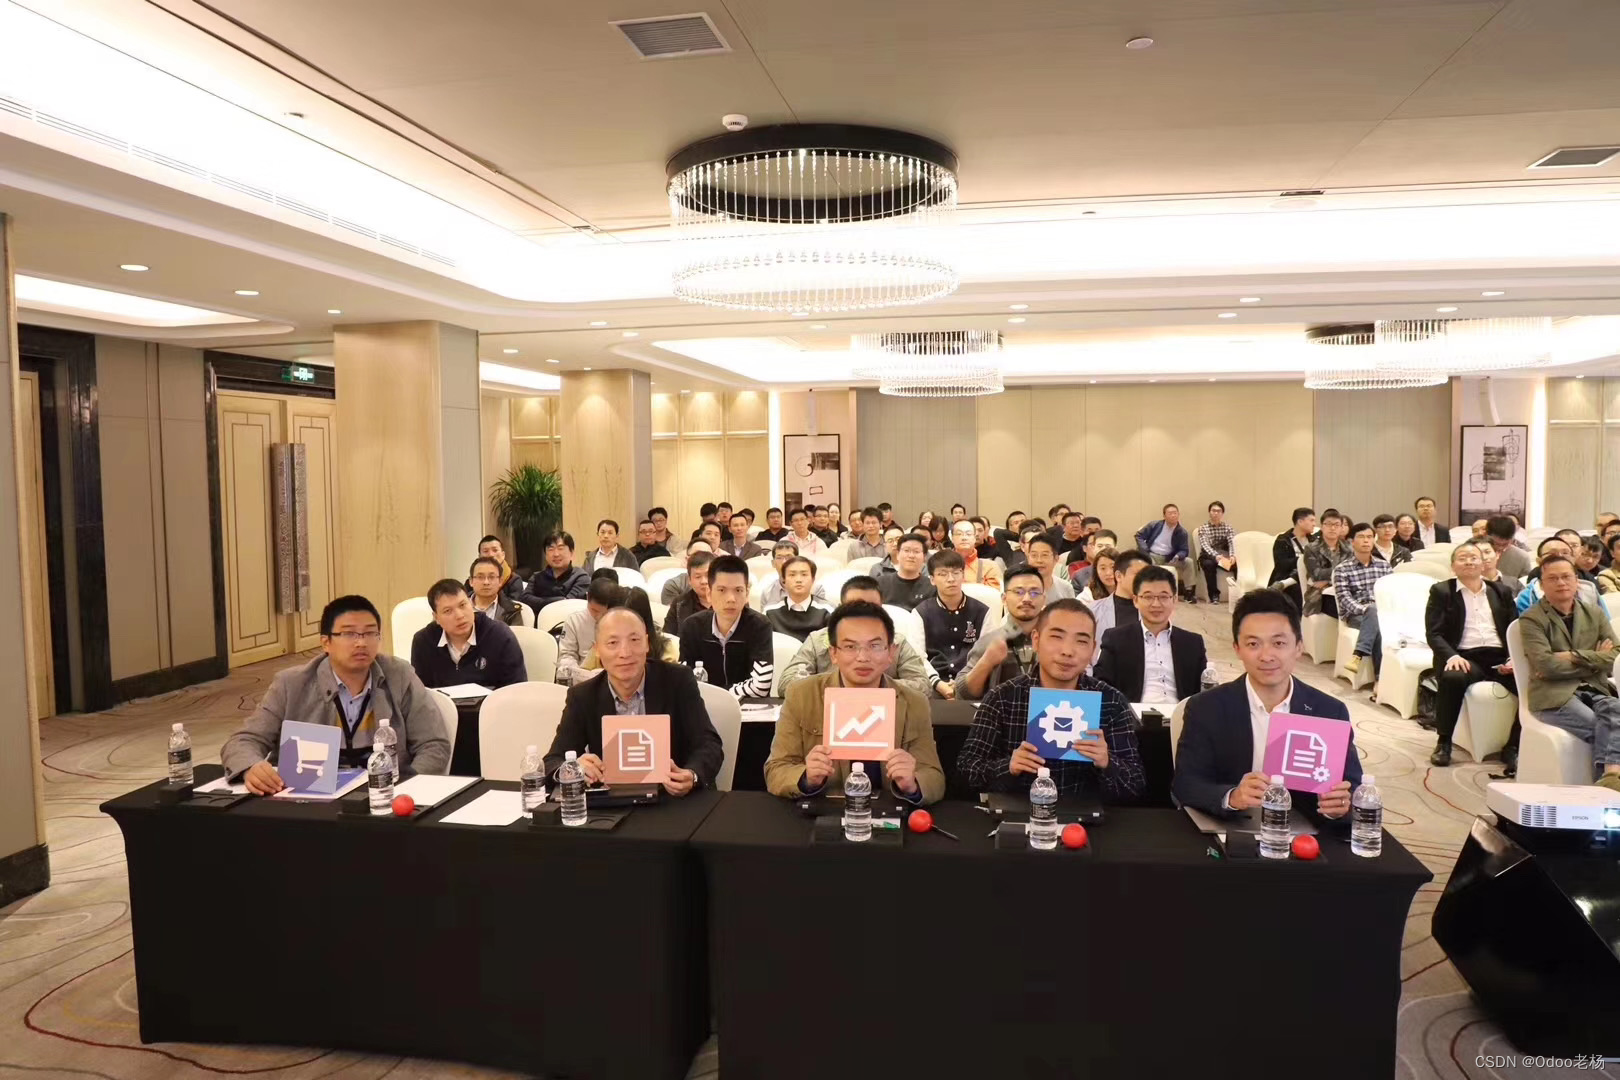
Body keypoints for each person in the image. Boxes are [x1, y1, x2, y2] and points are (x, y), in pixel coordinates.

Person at [221, 595, 450, 792]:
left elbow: (433, 744)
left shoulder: (399, 676)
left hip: (387, 798)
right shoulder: (291, 684)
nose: (361, 643)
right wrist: (251, 767)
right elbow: (243, 741)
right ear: (326, 642)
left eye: (370, 633)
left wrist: (407, 789)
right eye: (349, 634)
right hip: (310, 798)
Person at [1173, 588, 1362, 818]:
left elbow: (1353, 789)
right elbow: (1186, 784)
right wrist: (1232, 797)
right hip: (1232, 828)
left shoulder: (1328, 711)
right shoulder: (1207, 707)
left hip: (1305, 831)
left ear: (1299, 647)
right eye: (1253, 644)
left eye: (1279, 643)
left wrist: (1341, 805)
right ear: (1237, 649)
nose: (1266, 656)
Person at [956, 599, 1146, 801]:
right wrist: (1008, 767)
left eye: (1081, 641)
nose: (1067, 651)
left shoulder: (1111, 701)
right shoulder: (1002, 698)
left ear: (1093, 649)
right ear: (1036, 640)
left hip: (1086, 815)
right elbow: (966, 771)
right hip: (1018, 813)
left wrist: (1107, 762)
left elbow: (1135, 784)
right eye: (1056, 637)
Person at [764, 600, 946, 804]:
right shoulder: (801, 695)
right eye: (850, 646)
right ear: (833, 653)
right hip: (825, 811)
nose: (862, 657)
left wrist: (912, 784)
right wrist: (806, 778)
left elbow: (934, 777)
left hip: (888, 813)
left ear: (891, 653)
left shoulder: (914, 702)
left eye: (875, 646)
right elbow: (776, 770)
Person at [542, 606, 723, 794]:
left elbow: (709, 744)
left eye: (634, 640)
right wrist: (572, 768)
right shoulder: (583, 696)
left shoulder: (677, 680)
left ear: (647, 644)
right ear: (597, 650)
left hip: (672, 798)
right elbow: (553, 761)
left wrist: (692, 775)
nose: (625, 652)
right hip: (612, 801)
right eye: (612, 643)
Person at [1519, 555, 1620, 792]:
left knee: (1615, 710)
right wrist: (1594, 659)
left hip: (1594, 687)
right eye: (1553, 578)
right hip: (1554, 696)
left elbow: (1615, 655)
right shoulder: (1531, 619)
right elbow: (1546, 666)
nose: (1561, 583)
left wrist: (1573, 656)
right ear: (1542, 584)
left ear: (1577, 580)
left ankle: (1610, 780)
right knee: (1602, 727)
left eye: (1566, 577)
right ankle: (1607, 788)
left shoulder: (1594, 613)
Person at [1425, 543, 1518, 768]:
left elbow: (1514, 629)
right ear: (1453, 566)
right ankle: (1444, 741)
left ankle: (1513, 746)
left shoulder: (1501, 591)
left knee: (1531, 684)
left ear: (1483, 564)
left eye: (1474, 557)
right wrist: (1451, 656)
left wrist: (1513, 658)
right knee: (1453, 677)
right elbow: (1434, 633)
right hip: (1465, 656)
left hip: (1499, 657)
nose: (1468, 561)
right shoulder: (1442, 591)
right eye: (1462, 558)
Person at [779, 576, 937, 697]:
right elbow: (788, 684)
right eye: (855, 607)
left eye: (872, 608)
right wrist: (843, 688)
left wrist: (873, 687)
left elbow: (922, 685)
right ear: (840, 608)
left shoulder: (896, 642)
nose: (863, 614)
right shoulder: (818, 640)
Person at [1093, 565, 1208, 703]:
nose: (1156, 604)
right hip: (1132, 712)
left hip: (1180, 713)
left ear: (1174, 599)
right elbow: (1101, 684)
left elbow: (1204, 691)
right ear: (1136, 600)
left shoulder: (1192, 643)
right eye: (1148, 597)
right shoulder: (1115, 638)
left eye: (1163, 597)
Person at [678, 555, 774, 698]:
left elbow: (761, 686)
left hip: (748, 708)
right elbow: (684, 681)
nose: (731, 599)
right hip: (704, 707)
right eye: (722, 590)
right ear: (709, 593)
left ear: (747, 594)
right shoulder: (692, 626)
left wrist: (721, 696)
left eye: (738, 590)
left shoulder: (760, 625)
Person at [410, 579, 527, 690]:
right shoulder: (423, 641)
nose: (459, 616)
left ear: (471, 604)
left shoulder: (500, 635)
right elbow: (421, 693)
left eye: (462, 605)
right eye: (448, 611)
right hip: (443, 705)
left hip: (492, 704)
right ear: (436, 617)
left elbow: (516, 689)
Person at [958, 566, 1048, 700]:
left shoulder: (1056, 641)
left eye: (1034, 593)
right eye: (1019, 592)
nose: (1027, 598)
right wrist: (987, 662)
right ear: (1004, 598)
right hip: (1001, 711)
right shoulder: (990, 641)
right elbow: (962, 694)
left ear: (1044, 599)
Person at [918, 549, 989, 698]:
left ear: (963, 575)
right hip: (933, 685)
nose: (951, 579)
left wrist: (964, 683)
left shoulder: (983, 612)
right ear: (932, 579)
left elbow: (986, 654)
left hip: (972, 683)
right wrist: (938, 684)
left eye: (956, 573)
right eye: (943, 574)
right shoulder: (920, 612)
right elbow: (918, 657)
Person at [1332, 522, 1392, 678]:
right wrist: (1366, 610)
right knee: (1375, 619)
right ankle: (1380, 678)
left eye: (1370, 537)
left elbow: (1391, 593)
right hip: (1356, 614)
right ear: (1352, 542)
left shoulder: (1384, 566)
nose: (1366, 541)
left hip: (1383, 613)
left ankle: (1358, 655)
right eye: (1361, 537)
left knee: (1376, 616)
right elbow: (1344, 598)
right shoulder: (1342, 569)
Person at [556, 574, 626, 686]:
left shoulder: (621, 621)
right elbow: (567, 654)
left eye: (604, 613)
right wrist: (575, 671)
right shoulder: (574, 620)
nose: (599, 617)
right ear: (587, 597)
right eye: (594, 610)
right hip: (582, 676)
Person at [1136, 503, 1196, 602]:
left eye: (1175, 513)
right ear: (1164, 516)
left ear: (1178, 515)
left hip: (1169, 559)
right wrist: (1145, 550)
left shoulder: (1182, 532)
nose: (1173, 515)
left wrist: (1178, 555)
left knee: (1188, 562)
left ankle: (1189, 592)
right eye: (1170, 513)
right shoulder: (1154, 525)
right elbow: (1139, 536)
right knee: (1145, 563)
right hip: (1151, 556)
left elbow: (1184, 550)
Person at [766, 555, 833, 641]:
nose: (798, 580)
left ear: (813, 579)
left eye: (804, 574)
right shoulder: (770, 613)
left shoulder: (827, 611)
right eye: (792, 575)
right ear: (784, 580)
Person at [1090, 548, 1149, 640]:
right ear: (1118, 576)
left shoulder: (1154, 610)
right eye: (1137, 574)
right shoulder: (1093, 611)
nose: (1143, 580)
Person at [1301, 511, 1352, 617]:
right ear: (1322, 527)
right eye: (1328, 524)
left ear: (1341, 528)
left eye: (1336, 525)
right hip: (1319, 595)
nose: (1332, 528)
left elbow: (1352, 573)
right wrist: (1340, 573)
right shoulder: (1311, 548)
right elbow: (1317, 575)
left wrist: (1326, 581)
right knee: (1349, 610)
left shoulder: (1348, 548)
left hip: (1345, 591)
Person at [1267, 507, 1318, 613]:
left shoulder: (1314, 540)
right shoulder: (1283, 540)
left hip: (1311, 576)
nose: (1314, 524)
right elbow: (1281, 564)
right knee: (1297, 589)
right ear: (1300, 521)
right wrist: (1302, 560)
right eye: (1311, 520)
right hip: (1287, 575)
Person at [529, 531, 590, 610]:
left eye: (560, 548)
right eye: (551, 549)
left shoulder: (581, 577)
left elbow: (566, 605)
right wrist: (560, 599)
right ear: (545, 555)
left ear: (571, 553)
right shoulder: (536, 577)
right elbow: (525, 598)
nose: (556, 554)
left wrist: (539, 601)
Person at [879, 533, 936, 610]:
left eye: (916, 551)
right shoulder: (880, 583)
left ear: (924, 557)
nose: (911, 556)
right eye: (906, 550)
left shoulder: (932, 587)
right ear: (898, 554)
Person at [662, 550, 714, 635]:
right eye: (698, 577)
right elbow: (668, 636)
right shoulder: (679, 604)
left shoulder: (728, 601)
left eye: (708, 575)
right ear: (689, 580)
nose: (703, 581)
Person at [1194, 501, 1236, 605]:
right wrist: (1216, 556)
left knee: (1237, 565)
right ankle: (1214, 595)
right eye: (1213, 511)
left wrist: (1232, 555)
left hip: (1223, 557)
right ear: (1209, 512)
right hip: (1207, 556)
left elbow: (1232, 542)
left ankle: (1238, 592)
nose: (1216, 513)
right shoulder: (1203, 528)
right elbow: (1205, 545)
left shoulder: (1227, 528)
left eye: (1218, 511)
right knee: (1209, 564)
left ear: (1222, 513)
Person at [469, 556, 528, 627]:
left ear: (500, 581)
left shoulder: (511, 611)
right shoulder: (459, 607)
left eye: (491, 577)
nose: (486, 582)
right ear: (471, 581)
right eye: (480, 577)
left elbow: (515, 634)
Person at [949, 519, 1003, 589]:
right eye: (959, 534)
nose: (964, 538)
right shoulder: (941, 564)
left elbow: (994, 593)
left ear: (974, 538)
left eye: (968, 534)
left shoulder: (990, 566)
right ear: (952, 538)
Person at [1021, 533, 1075, 604]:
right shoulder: (1018, 587)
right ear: (1028, 558)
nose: (1039, 560)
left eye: (1044, 555)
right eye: (1034, 555)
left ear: (1056, 559)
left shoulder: (1066, 588)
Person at [475, 535, 528, 601]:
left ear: (503, 555)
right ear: (480, 557)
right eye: (485, 551)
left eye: (495, 550)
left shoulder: (514, 580)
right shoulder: (474, 579)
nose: (491, 555)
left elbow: (513, 605)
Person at [1487, 515, 1533, 580]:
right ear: (1487, 536)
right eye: (1496, 544)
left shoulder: (1522, 557)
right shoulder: (1476, 553)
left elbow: (1526, 582)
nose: (1500, 548)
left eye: (1505, 544)